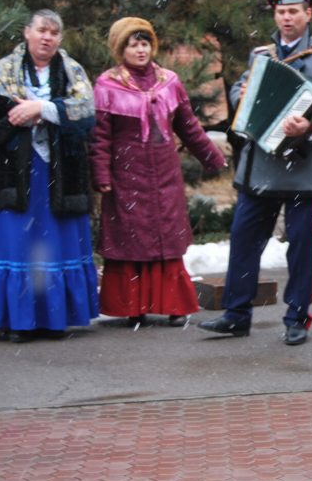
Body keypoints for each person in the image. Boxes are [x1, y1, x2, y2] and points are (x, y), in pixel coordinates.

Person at [199, 0, 312, 346]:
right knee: (244, 241)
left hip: (302, 168)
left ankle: (297, 317)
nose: (287, 18)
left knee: (300, 249)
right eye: (281, 12)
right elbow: (241, 88)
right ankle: (236, 314)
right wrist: (246, 95)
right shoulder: (262, 55)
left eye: (294, 11)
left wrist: (308, 125)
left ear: (308, 14)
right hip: (260, 167)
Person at [90, 17, 226, 327]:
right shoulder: (107, 85)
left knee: (168, 240)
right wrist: (101, 175)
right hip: (126, 176)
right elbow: (100, 137)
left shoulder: (169, 82)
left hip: (165, 174)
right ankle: (134, 306)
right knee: (131, 241)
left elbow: (189, 127)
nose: (140, 50)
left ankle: (174, 305)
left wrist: (213, 159)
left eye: (145, 43)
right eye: (133, 45)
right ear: (120, 49)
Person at [0, 9, 99, 343]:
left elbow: (87, 113)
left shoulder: (72, 70)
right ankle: (19, 320)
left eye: (54, 32)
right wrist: (25, 114)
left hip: (60, 172)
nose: (47, 37)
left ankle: (54, 318)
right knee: (19, 243)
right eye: (42, 30)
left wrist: (44, 108)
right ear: (27, 32)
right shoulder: (4, 69)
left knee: (54, 243)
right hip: (15, 172)